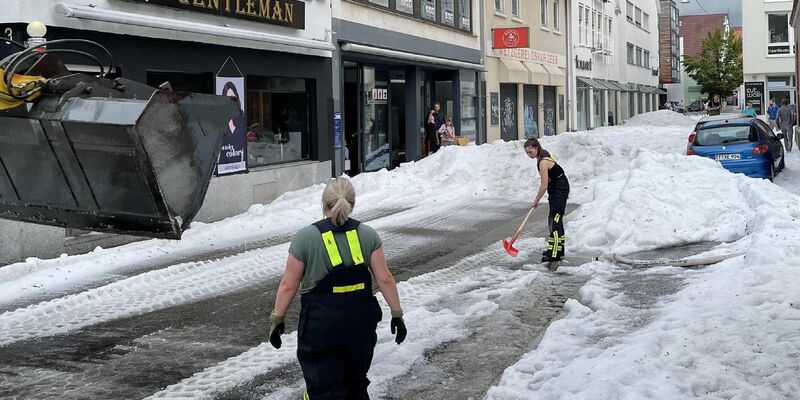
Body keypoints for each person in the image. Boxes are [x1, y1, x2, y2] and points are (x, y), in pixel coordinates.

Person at [269, 178, 407, 399]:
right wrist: (397, 314)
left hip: (321, 328)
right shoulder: (368, 235)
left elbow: (288, 285)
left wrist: (278, 319)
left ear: (325, 205)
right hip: (360, 327)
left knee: (324, 390)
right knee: (356, 386)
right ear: (352, 204)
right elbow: (385, 279)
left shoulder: (305, 238)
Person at [524, 138, 570, 262]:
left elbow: (543, 185)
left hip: (559, 188)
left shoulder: (543, 162)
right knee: (555, 218)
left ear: (536, 148)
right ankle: (558, 249)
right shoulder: (542, 156)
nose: (529, 155)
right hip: (556, 188)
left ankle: (554, 254)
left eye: (531, 152)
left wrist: (536, 201)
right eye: (527, 153)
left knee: (554, 220)